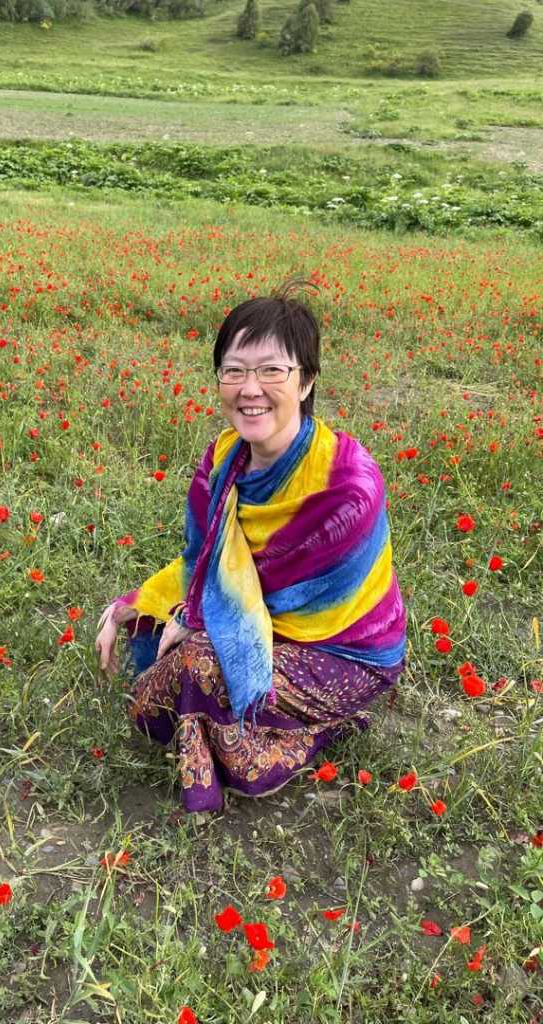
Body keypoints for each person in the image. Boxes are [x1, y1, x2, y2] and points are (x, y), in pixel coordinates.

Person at [95, 282, 406, 814]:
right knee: (151, 642)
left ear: (305, 380)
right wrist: (138, 602)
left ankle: (321, 728)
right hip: (258, 620)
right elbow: (205, 560)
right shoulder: (225, 457)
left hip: (342, 650)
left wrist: (198, 618)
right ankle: (230, 724)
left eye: (272, 371)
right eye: (234, 371)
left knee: (196, 664)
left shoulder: (345, 483)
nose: (250, 388)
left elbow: (286, 595)